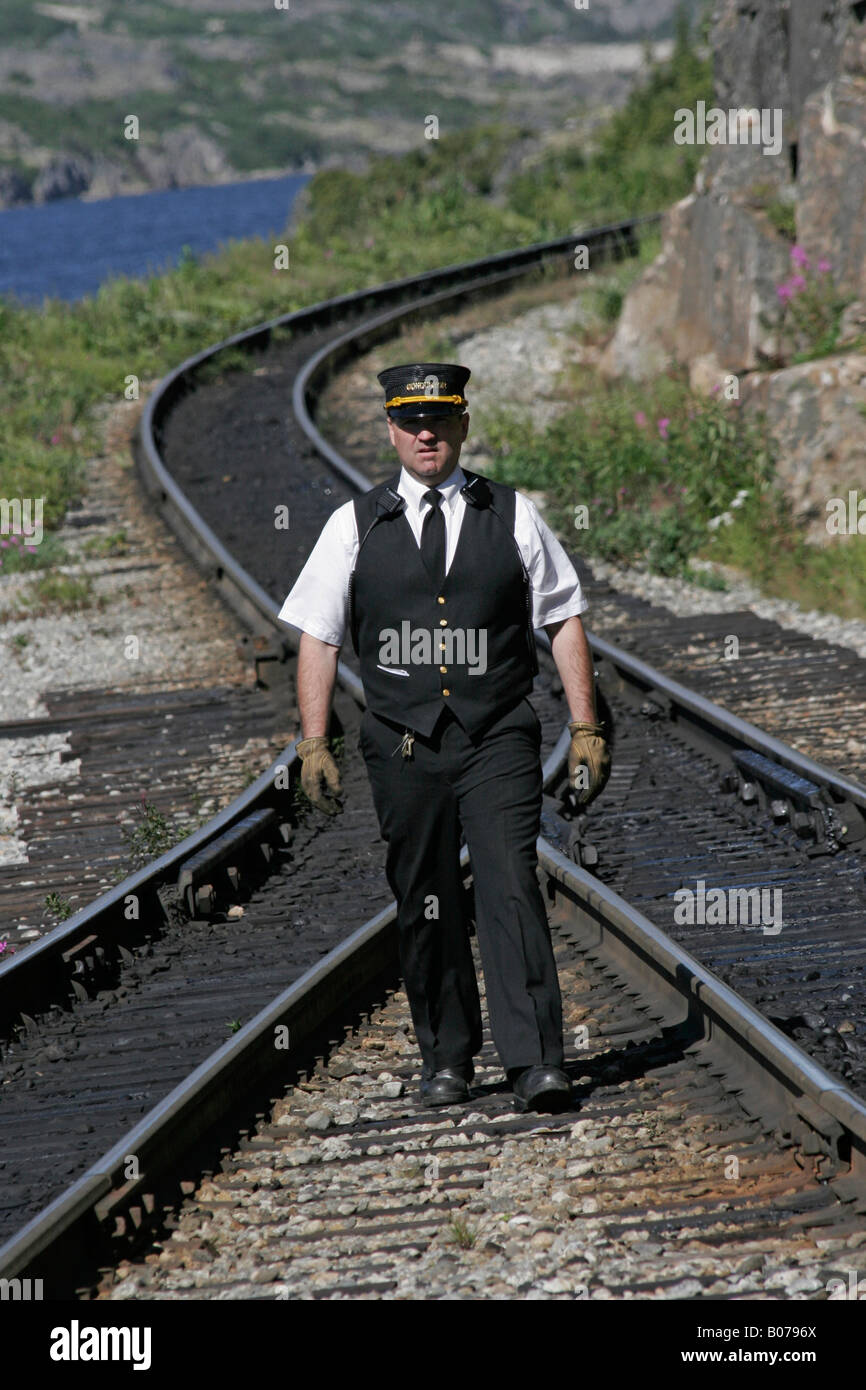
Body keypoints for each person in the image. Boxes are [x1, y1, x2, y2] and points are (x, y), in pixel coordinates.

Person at [277, 362, 609, 1112]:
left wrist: (585, 726)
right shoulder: (352, 526)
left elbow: (563, 617)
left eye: (440, 419)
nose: (427, 433)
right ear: (392, 430)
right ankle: (447, 1060)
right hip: (401, 742)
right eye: (411, 421)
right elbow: (319, 639)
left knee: (511, 886)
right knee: (424, 898)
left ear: (463, 425)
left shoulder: (513, 514)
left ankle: (535, 1064)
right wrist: (314, 740)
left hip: (497, 735)